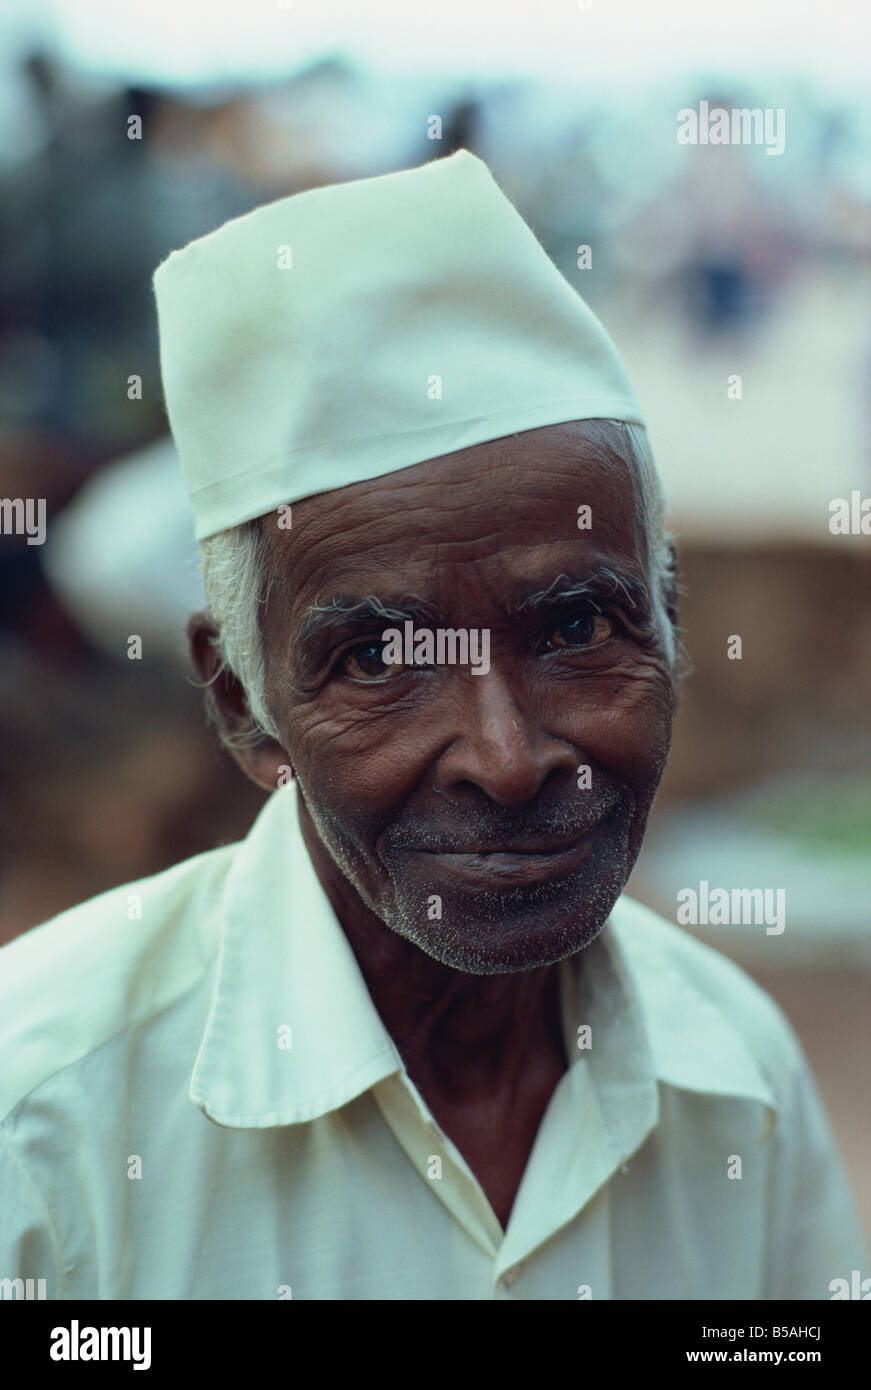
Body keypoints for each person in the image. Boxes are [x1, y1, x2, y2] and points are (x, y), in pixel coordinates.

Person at [0, 151, 865, 1300]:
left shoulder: (733, 1076)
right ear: (243, 706)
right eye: (376, 661)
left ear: (672, 625)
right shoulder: (42, 1121)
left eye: (574, 628)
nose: (508, 758)